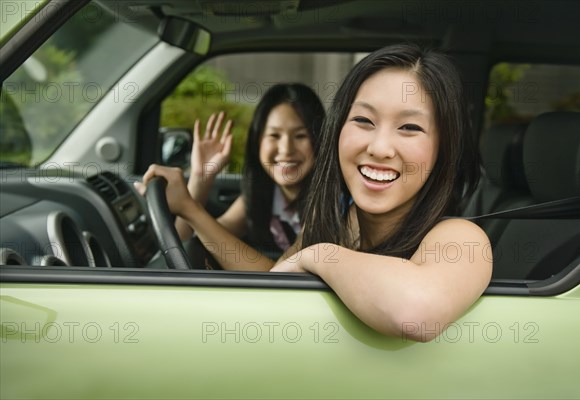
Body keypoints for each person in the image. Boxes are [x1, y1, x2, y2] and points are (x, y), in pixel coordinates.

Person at [271, 44, 493, 342]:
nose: (379, 148)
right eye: (363, 121)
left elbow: (416, 314)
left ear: (443, 148)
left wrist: (320, 256)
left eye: (409, 127)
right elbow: (270, 290)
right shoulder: (334, 221)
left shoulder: (462, 239)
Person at [139, 83, 325, 271]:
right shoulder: (265, 195)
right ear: (257, 142)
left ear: (321, 141)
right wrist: (201, 178)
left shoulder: (327, 202)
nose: (286, 149)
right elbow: (185, 245)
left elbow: (280, 276)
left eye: (300, 136)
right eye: (274, 135)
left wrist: (189, 208)